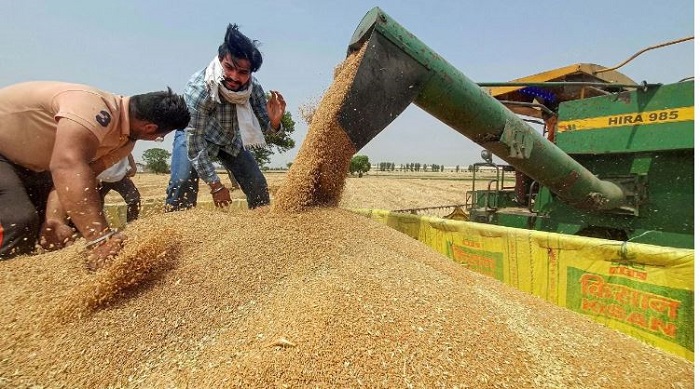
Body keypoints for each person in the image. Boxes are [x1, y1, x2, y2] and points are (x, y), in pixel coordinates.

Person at [0, 81, 190, 270]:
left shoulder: (124, 143)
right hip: (5, 153)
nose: (158, 140)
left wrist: (55, 219)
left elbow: (81, 176)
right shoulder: (91, 108)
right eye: (160, 136)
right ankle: (10, 285)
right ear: (149, 128)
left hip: (35, 166)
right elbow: (68, 166)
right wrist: (100, 238)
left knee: (57, 229)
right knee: (20, 220)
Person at [165, 23, 286, 211]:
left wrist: (275, 122)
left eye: (243, 72)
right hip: (196, 136)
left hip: (229, 141)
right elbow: (195, 143)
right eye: (229, 67)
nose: (234, 77)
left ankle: (262, 230)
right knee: (181, 184)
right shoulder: (200, 89)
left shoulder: (253, 89)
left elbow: (267, 127)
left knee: (258, 185)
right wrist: (216, 185)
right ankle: (173, 230)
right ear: (220, 60)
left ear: (251, 73)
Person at [97, 154, 141, 223]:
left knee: (133, 199)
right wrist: (94, 176)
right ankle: (96, 228)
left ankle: (132, 225)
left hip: (120, 175)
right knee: (94, 202)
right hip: (100, 175)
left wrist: (133, 166)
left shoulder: (123, 143)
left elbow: (127, 151)